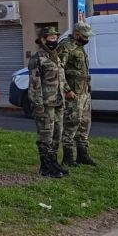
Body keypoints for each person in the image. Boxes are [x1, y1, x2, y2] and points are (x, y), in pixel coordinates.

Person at [28, 26, 69, 178]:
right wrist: (38, 104)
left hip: (58, 101)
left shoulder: (55, 56)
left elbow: (62, 79)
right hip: (45, 103)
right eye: (51, 38)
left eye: (55, 37)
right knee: (46, 135)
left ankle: (54, 162)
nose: (54, 40)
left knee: (57, 134)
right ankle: (45, 166)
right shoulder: (37, 58)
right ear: (43, 39)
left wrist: (67, 92)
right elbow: (34, 84)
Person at [58, 21, 97, 167]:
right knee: (71, 123)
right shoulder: (66, 46)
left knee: (84, 123)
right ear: (76, 34)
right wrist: (67, 89)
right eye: (85, 36)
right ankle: (68, 157)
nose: (87, 39)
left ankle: (83, 154)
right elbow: (59, 69)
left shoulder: (80, 48)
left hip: (84, 92)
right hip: (73, 93)